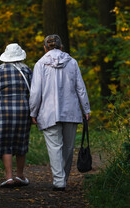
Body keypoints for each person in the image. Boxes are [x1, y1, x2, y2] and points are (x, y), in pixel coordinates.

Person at [29, 34, 91, 191]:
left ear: (45, 48)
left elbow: (36, 92)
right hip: (70, 111)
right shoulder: (72, 62)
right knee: (68, 148)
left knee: (54, 147)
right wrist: (86, 109)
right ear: (62, 47)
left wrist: (33, 112)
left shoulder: (40, 64)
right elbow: (80, 88)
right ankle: (64, 177)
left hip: (48, 112)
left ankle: (59, 181)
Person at [0, 43, 32, 188]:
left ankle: (9, 178)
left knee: (6, 142)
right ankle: (20, 176)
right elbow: (34, 91)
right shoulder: (27, 70)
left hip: (3, 110)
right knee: (21, 142)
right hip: (23, 109)